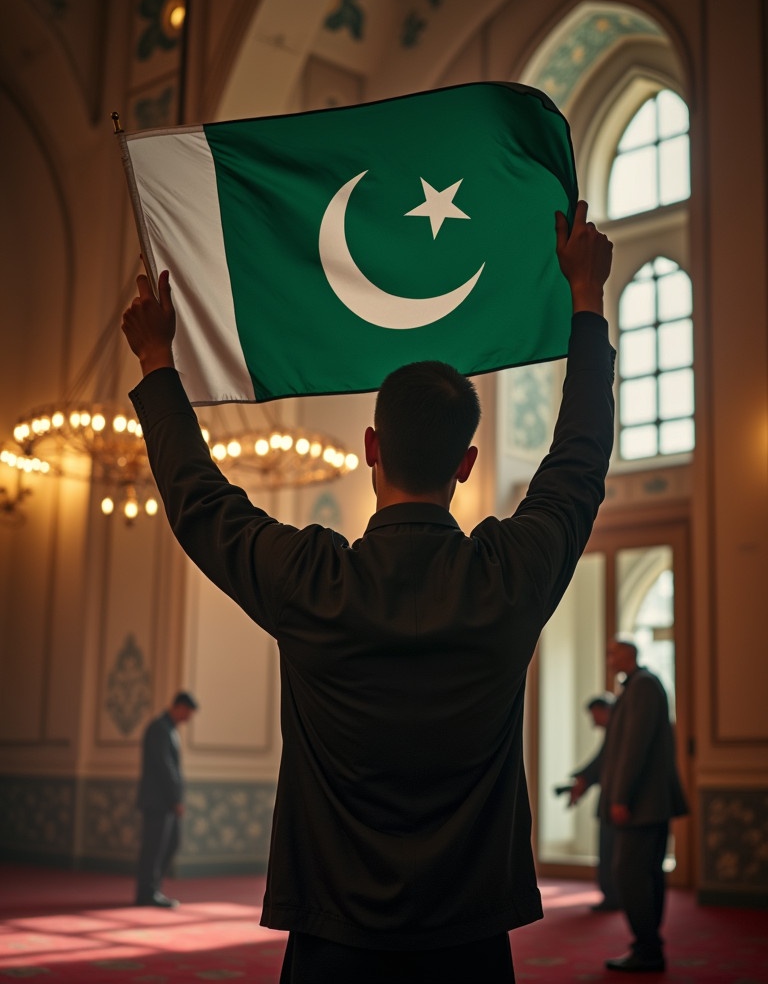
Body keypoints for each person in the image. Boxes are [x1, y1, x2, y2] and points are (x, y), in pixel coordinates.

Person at [121, 200, 614, 983]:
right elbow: (581, 458)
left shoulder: (313, 583)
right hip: (469, 941)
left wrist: (157, 360)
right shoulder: (508, 577)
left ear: (371, 449)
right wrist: (585, 302)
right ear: (466, 463)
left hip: (333, 942)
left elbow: (199, 502)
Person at [600, 638, 688, 973]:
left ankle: (648, 949)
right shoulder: (640, 686)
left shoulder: (643, 686)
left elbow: (634, 746)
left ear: (630, 655)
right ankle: (648, 947)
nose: (609, 660)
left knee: (630, 874)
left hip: (641, 804)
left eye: (613, 653)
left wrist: (621, 796)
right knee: (644, 874)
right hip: (647, 802)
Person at [135, 690, 199, 907]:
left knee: (169, 844)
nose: (188, 719)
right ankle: (147, 893)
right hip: (158, 802)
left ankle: (152, 889)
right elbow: (165, 767)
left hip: (164, 802)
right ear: (180, 707)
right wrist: (175, 799)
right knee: (154, 848)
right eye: (188, 713)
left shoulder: (168, 729)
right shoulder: (160, 729)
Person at [567, 693, 620, 912]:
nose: (593, 721)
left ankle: (614, 896)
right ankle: (613, 895)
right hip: (613, 801)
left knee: (610, 851)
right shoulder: (614, 734)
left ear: (605, 711)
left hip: (616, 802)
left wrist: (583, 779)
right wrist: (582, 778)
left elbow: (601, 765)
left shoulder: (619, 734)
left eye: (594, 715)